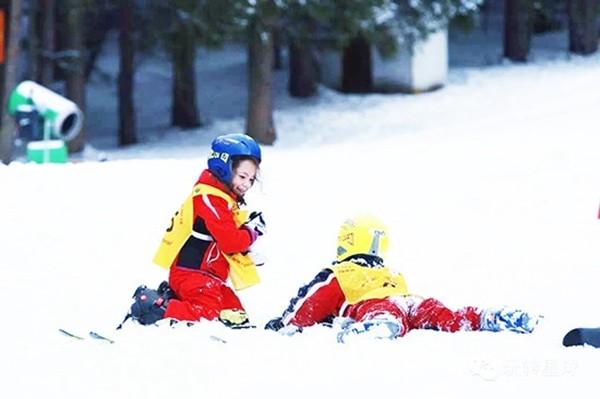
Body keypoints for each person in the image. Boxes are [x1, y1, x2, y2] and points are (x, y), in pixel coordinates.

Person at [265, 215, 540, 341]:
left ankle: (381, 327)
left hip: (379, 308)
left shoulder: (340, 273)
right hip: (411, 301)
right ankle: (492, 317)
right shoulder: (388, 272)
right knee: (446, 317)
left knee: (382, 312)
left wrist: (286, 323)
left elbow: (311, 303)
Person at [124, 133, 266, 329]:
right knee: (207, 315)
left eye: (251, 179)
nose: (246, 184)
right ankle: (154, 307)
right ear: (222, 168)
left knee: (236, 316)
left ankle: (173, 300)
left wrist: (249, 246)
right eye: (242, 176)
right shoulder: (209, 198)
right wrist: (252, 232)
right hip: (192, 274)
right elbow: (231, 241)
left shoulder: (223, 199)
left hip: (209, 277)